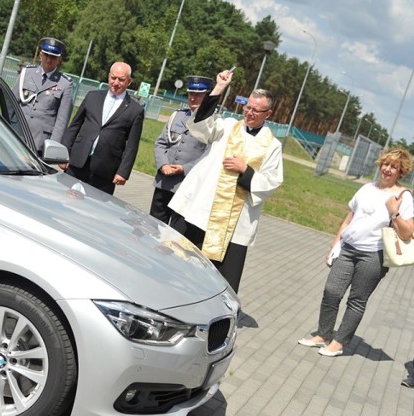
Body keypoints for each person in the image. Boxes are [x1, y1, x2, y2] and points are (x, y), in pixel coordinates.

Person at [168, 69, 283, 293]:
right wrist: (219, 88)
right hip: (200, 210)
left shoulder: (272, 146)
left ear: (268, 114)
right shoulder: (228, 126)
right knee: (178, 260)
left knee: (218, 282)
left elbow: (270, 183)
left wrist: (245, 171)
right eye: (247, 107)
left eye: (256, 111)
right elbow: (200, 125)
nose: (249, 114)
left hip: (232, 222)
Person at [298, 148, 414, 357]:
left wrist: (394, 211)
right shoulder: (366, 188)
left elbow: (407, 233)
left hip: (374, 256)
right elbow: (349, 218)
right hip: (348, 249)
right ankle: (324, 334)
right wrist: (335, 245)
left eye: (393, 167)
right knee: (331, 292)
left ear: (401, 172)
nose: (387, 169)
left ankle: (339, 342)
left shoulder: (403, 197)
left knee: (357, 300)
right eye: (385, 164)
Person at [60, 62, 144, 195]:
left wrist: (123, 172)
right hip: (77, 162)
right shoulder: (92, 96)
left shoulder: (135, 110)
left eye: (121, 80)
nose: (116, 83)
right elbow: (74, 126)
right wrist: (63, 154)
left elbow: (132, 146)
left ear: (129, 82)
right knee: (66, 199)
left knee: (96, 210)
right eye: (113, 78)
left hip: (105, 170)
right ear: (108, 76)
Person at [149, 75, 213, 224]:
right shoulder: (177, 116)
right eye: (191, 94)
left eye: (198, 95)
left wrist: (184, 169)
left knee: (176, 235)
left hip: (188, 188)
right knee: (153, 227)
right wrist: (163, 165)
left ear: (208, 96)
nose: (193, 98)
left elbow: (208, 156)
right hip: (164, 183)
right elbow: (160, 143)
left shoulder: (212, 124)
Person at [13, 37, 73, 154]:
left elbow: (62, 120)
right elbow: (11, 103)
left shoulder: (65, 84)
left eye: (53, 57)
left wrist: (52, 148)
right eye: (46, 55)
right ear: (40, 55)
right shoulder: (27, 73)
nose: (49, 60)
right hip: (16, 134)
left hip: (39, 142)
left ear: (59, 59)